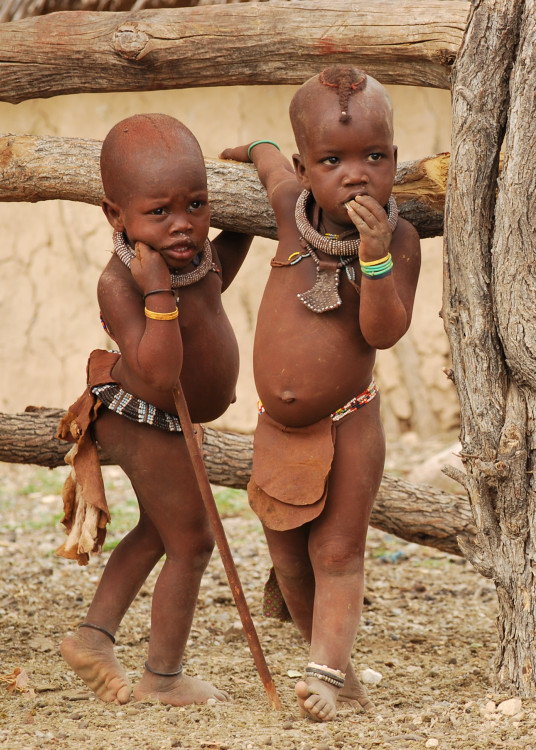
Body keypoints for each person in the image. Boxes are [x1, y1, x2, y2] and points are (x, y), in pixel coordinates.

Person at [220, 65, 420, 721]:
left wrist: (375, 255)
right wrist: (254, 151)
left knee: (336, 555)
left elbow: (382, 332)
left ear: (396, 157)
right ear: (308, 171)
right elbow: (274, 163)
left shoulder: (399, 241)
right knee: (290, 561)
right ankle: (339, 675)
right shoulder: (288, 212)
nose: (356, 174)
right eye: (332, 160)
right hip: (278, 432)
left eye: (375, 156)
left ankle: (324, 674)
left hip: (349, 423)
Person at [57, 113, 253, 706]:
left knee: (157, 532)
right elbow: (160, 371)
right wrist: (158, 291)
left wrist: (251, 201)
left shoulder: (193, 258)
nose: (184, 226)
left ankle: (92, 638)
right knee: (191, 541)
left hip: (166, 419)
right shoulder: (121, 282)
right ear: (115, 216)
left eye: (197, 205)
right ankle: (162, 678)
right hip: (141, 419)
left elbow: (215, 283)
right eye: (159, 212)